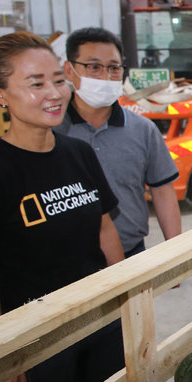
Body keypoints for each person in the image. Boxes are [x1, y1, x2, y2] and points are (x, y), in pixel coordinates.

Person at [0, 31, 125, 382]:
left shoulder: (78, 153)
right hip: (38, 343)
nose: (54, 94)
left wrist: (125, 299)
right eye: (35, 83)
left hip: (100, 323)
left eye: (57, 80)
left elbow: (104, 230)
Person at [59, 27, 181, 258]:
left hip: (131, 253)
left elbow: (163, 192)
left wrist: (175, 255)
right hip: (67, 263)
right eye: (93, 67)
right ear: (69, 70)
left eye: (114, 68)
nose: (106, 77)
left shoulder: (142, 129)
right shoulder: (52, 132)